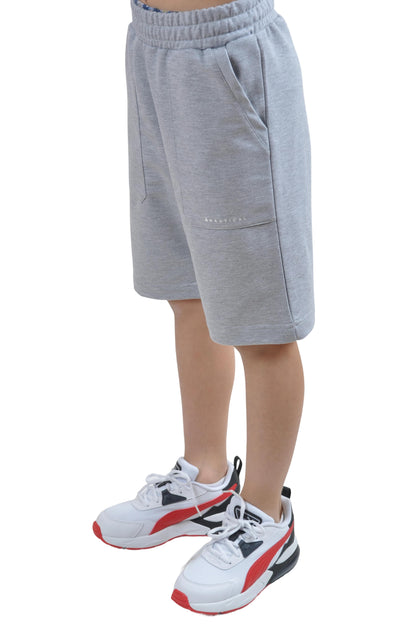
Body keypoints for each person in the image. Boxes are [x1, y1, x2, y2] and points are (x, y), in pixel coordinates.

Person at [93, 0, 315, 614]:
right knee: (187, 289)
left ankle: (266, 518)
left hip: (228, 53)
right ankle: (206, 478)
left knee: (262, 317)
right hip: (151, 46)